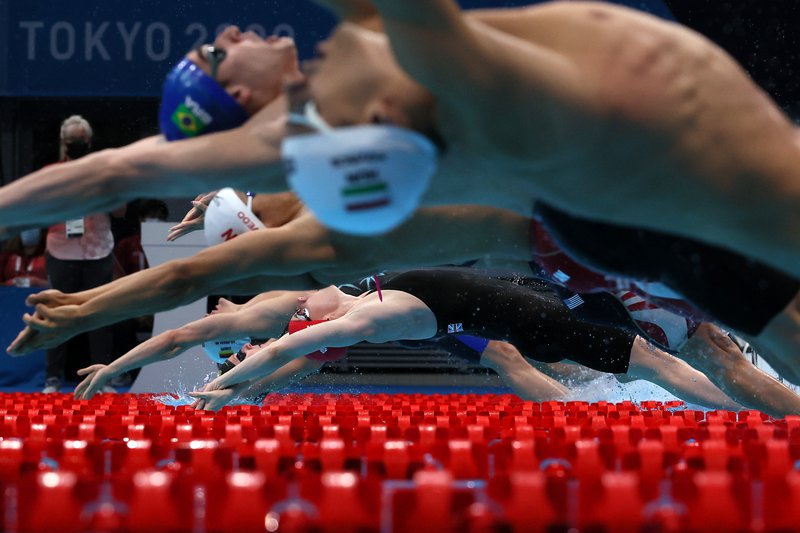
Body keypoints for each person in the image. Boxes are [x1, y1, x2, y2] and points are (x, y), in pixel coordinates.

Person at [0, 3, 797, 277]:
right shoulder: (310, 133)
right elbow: (122, 166)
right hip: (630, 168)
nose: (232, 28)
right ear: (234, 94)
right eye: (217, 50)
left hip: (600, 205)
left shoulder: (329, 97)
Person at [181, 269, 800, 415]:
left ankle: (752, 400)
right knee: (660, 357)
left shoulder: (359, 300)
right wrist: (227, 386)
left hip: (522, 299)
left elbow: (285, 352)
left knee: (663, 355)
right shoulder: (361, 316)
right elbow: (283, 355)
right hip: (526, 311)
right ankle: (751, 406)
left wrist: (226, 386)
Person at [41, 116, 124, 394]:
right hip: (61, 250)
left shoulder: (104, 171)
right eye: (72, 142)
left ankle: (102, 378)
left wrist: (105, 192)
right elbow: (38, 211)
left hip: (98, 250)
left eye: (81, 141)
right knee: (57, 315)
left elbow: (121, 211)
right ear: (64, 143)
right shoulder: (51, 173)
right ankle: (52, 379)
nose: (76, 145)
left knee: (100, 315)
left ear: (89, 142)